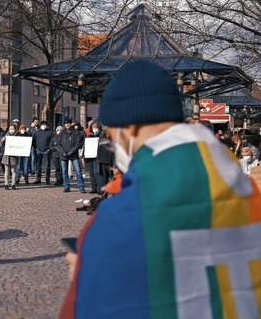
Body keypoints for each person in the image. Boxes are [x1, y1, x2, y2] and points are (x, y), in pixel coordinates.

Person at [60, 60, 261, 318]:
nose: (112, 146)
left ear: (128, 128)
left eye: (111, 136)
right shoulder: (247, 193)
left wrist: (88, 270)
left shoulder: (118, 218)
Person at [56, 118, 85, 193]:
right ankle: (66, 186)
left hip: (73, 154)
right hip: (63, 155)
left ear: (70, 124)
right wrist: (63, 152)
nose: (67, 125)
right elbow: (58, 144)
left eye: (68, 123)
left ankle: (81, 186)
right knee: (64, 172)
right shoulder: (62, 133)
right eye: (65, 123)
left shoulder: (75, 132)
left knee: (78, 171)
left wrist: (71, 151)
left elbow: (78, 143)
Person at [82, 121, 102, 194]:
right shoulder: (89, 136)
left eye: (96, 128)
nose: (94, 129)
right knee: (91, 173)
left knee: (97, 172)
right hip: (89, 156)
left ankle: (100, 189)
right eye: (93, 128)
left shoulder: (101, 135)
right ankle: (94, 188)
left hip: (97, 156)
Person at [32, 120, 53, 185]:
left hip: (46, 151)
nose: (43, 126)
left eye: (45, 125)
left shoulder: (50, 132)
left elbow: (52, 141)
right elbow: (34, 141)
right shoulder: (37, 132)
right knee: (38, 165)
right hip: (38, 150)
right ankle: (38, 179)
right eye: (42, 125)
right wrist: (36, 147)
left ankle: (47, 179)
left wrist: (49, 149)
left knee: (47, 165)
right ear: (40, 125)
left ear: (47, 126)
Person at [0, 125, 18, 190]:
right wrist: (2, 140)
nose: (11, 130)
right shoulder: (6, 135)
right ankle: (6, 184)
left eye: (13, 129)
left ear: (15, 129)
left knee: (13, 171)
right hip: (6, 156)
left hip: (14, 155)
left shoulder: (17, 136)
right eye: (10, 129)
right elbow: (1, 145)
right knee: (6, 171)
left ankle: (13, 184)